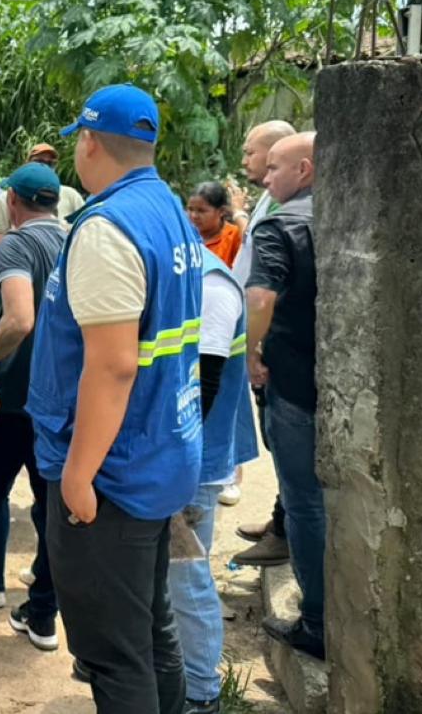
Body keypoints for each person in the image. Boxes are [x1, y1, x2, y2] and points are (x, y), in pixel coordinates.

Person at [27, 84, 204, 714]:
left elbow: (113, 365)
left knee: (113, 654)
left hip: (111, 473)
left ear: (89, 141)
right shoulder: (167, 209)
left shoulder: (107, 227)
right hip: (157, 451)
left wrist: (78, 475)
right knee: (150, 632)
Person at [0, 163, 66, 652]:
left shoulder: (16, 244)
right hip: (60, 402)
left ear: (12, 201)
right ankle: (44, 614)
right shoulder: (76, 241)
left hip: (13, 399)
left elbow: (18, 320)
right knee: (51, 508)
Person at [168, 252, 259, 714]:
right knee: (171, 577)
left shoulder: (211, 285)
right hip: (180, 458)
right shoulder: (186, 268)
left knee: (185, 576)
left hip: (193, 463)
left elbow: (203, 384)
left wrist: (171, 464)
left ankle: (201, 694)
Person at [248, 132, 324, 661]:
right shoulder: (339, 215)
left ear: (305, 169)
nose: (266, 177)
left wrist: (251, 351)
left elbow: (260, 298)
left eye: (275, 167)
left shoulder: (283, 224)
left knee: (304, 501)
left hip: (294, 383)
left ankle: (317, 621)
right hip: (335, 380)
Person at [228, 120, 297, 568]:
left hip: (271, 341)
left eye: (252, 153)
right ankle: (281, 519)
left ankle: (286, 531)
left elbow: (265, 291)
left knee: (284, 440)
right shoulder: (272, 200)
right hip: (259, 336)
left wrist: (256, 344)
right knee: (276, 440)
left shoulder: (287, 207)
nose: (247, 162)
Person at [0, 144, 84, 235]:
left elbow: (84, 227)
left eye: (50, 163)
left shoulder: (71, 195)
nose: (44, 167)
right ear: (27, 164)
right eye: (39, 162)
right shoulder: (8, 197)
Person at [186, 182, 242, 268]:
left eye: (201, 211)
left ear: (221, 211)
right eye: (190, 209)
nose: (194, 216)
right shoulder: (184, 236)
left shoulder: (234, 236)